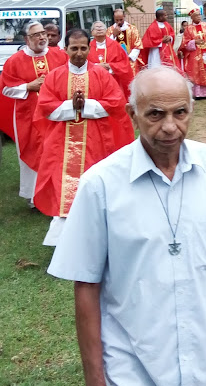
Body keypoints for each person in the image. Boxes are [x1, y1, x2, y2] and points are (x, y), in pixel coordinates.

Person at [47, 66, 206, 386]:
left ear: (191, 110)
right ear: (133, 114)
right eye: (156, 114)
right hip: (132, 371)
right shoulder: (100, 185)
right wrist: (95, 381)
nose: (170, 127)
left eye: (180, 112)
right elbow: (86, 286)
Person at [33, 28, 135, 245]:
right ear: (65, 49)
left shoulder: (101, 74)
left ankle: (95, 233)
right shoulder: (54, 76)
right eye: (74, 48)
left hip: (95, 141)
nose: (79, 53)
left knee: (95, 181)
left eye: (83, 48)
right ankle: (62, 239)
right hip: (62, 142)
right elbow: (45, 107)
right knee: (63, 185)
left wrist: (85, 105)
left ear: (89, 49)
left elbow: (115, 103)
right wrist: (71, 106)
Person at [0, 21, 66, 206]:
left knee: (56, 152)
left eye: (43, 33)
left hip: (56, 115)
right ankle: (34, 196)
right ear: (27, 39)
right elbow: (5, 89)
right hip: (27, 116)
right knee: (33, 151)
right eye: (36, 35)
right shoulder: (15, 61)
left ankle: (57, 192)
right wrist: (28, 86)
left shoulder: (59, 55)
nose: (42, 37)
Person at [179, 8, 206, 98]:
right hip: (195, 54)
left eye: (199, 15)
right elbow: (185, 43)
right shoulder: (188, 29)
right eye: (196, 15)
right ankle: (198, 93)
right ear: (192, 18)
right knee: (196, 72)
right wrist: (194, 42)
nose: (198, 17)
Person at [88, 21, 134, 99]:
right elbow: (84, 64)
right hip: (95, 82)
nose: (99, 28)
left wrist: (110, 66)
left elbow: (124, 63)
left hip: (113, 81)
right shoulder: (88, 48)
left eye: (101, 27)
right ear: (92, 33)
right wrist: (97, 66)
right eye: (96, 27)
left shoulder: (115, 45)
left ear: (106, 31)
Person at [106, 9, 143, 75]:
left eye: (121, 19)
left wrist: (130, 57)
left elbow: (137, 45)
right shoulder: (110, 30)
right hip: (116, 63)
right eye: (117, 20)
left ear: (124, 16)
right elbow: (106, 46)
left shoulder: (132, 29)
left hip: (130, 61)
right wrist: (113, 35)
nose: (119, 22)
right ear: (114, 18)